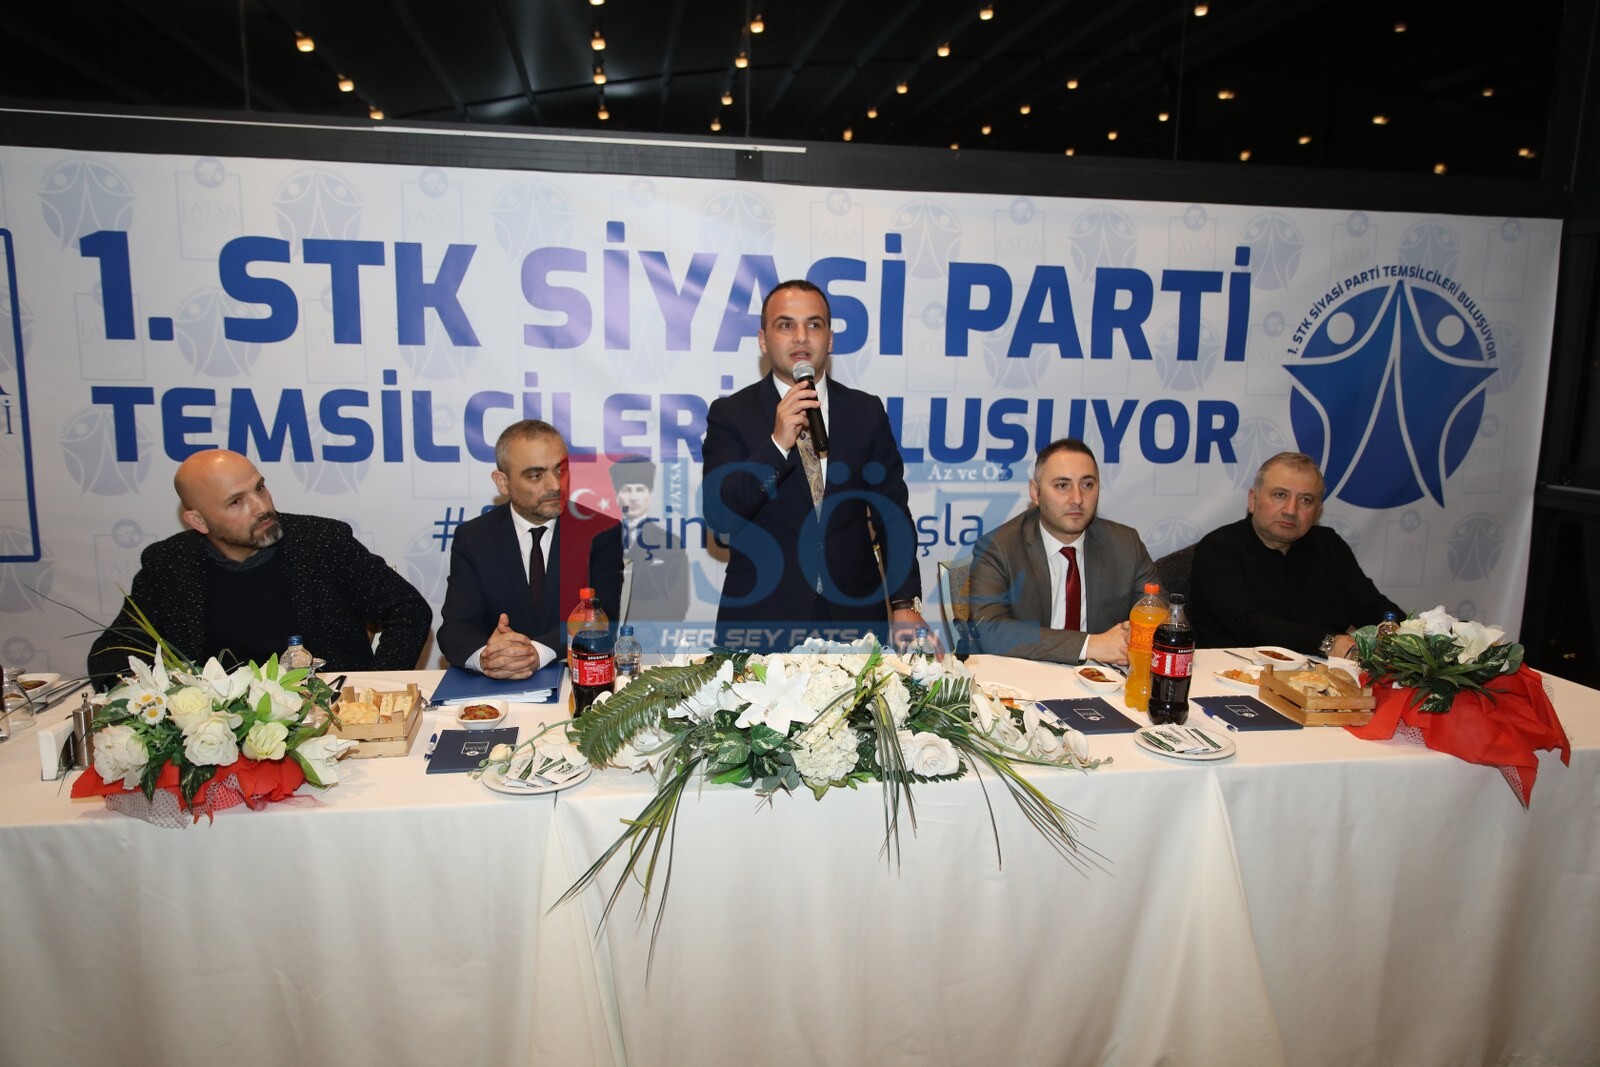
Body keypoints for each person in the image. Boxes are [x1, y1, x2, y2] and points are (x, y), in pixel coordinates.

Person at [701, 279, 931, 650]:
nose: (801, 337)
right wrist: (777, 444)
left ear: (830, 339)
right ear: (763, 340)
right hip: (762, 619)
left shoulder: (865, 412)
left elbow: (892, 514)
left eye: (814, 324)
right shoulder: (731, 414)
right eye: (785, 325)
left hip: (856, 618)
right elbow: (720, 516)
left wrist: (904, 603)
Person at [87, 449, 430, 684]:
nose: (261, 507)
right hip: (218, 728)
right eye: (237, 502)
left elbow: (409, 610)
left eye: (260, 488)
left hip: (323, 718)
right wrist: (162, 704)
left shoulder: (321, 542)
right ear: (198, 521)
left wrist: (374, 687)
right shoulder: (169, 564)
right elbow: (112, 654)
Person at [438, 420, 622, 678]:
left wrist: (536, 652)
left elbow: (603, 618)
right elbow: (456, 628)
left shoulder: (600, 532)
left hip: (572, 675)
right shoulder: (473, 538)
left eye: (560, 470)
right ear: (503, 482)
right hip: (495, 683)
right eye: (536, 475)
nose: (555, 485)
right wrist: (487, 658)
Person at [1188, 451, 1402, 657]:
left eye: (1306, 500)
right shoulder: (1219, 548)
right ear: (1253, 500)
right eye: (1280, 495)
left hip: (1326, 672)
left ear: (1317, 510)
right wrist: (1327, 643)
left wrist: (1406, 632)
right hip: (1236, 671)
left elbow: (1369, 605)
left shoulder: (1329, 545)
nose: (1291, 510)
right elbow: (1247, 625)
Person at [967, 439, 1158, 664]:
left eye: (1087, 484)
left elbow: (1159, 618)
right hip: (1023, 676)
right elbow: (988, 630)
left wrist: (1134, 636)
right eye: (1062, 485)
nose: (1077, 499)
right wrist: (1090, 645)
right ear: (1035, 492)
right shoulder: (999, 547)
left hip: (1103, 677)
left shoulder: (1125, 544)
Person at [609, 455, 689, 627]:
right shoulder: (601, 541)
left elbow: (679, 604)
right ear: (617, 494)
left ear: (650, 494)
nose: (633, 497)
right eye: (627, 490)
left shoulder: (670, 543)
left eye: (640, 490)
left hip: (653, 634)